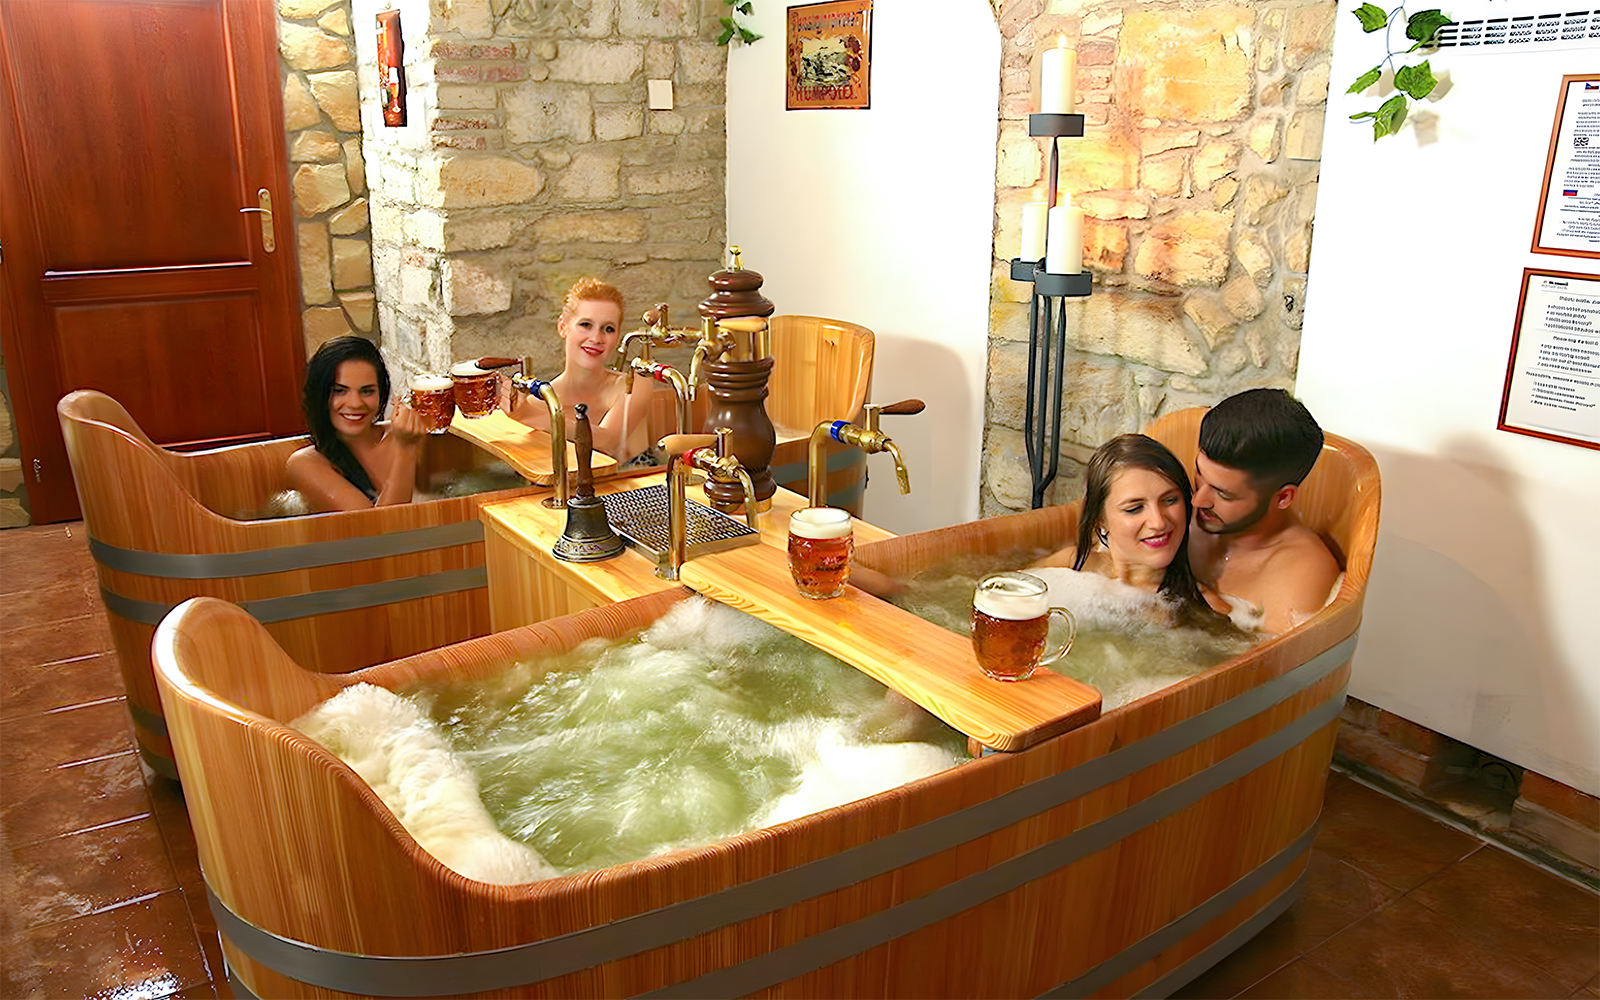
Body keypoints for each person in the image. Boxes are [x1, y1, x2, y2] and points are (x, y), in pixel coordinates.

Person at [1033, 434, 1233, 630]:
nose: (1158, 522)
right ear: (1100, 520)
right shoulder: (1071, 565)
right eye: (1134, 508)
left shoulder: (1207, 610)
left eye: (1170, 500)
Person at [1187, 388, 1341, 635]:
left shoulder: (1300, 572)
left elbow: (1271, 657)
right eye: (1199, 473)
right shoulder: (1180, 509)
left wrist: (1208, 617)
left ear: (1282, 497)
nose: (1198, 500)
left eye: (1224, 494)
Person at [511, 277, 655, 463]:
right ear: (563, 327)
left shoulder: (635, 384)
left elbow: (608, 441)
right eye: (585, 325)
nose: (596, 338)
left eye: (608, 329)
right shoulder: (538, 403)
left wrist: (538, 418)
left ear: (617, 336)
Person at [287, 336, 426, 512]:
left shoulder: (403, 434)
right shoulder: (304, 464)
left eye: (367, 391)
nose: (355, 403)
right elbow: (378, 526)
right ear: (320, 396)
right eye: (339, 391)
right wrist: (405, 450)